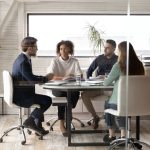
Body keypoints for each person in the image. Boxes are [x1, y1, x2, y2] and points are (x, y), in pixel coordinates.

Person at [103, 41, 145, 143]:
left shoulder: (118, 65)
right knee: (122, 105)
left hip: (120, 103)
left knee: (108, 103)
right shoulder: (140, 65)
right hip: (136, 103)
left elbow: (106, 83)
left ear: (121, 52)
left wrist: (107, 78)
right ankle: (123, 136)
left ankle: (111, 135)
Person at [12, 36, 53, 136]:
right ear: (30, 48)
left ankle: (38, 127)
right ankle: (30, 121)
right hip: (22, 97)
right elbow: (32, 80)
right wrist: (46, 78)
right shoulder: (23, 62)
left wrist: (43, 78)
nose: (37, 49)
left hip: (24, 94)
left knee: (42, 100)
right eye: (35, 46)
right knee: (47, 100)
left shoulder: (24, 59)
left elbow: (29, 77)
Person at [47, 40, 82, 136]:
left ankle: (68, 115)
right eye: (61, 49)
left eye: (65, 48)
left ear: (70, 49)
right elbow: (51, 76)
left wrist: (73, 76)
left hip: (71, 87)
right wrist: (63, 78)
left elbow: (80, 75)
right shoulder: (55, 61)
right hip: (58, 88)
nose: (63, 50)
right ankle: (62, 123)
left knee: (73, 94)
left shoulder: (74, 61)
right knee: (63, 97)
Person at [81, 39, 118, 129]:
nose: (105, 50)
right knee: (84, 95)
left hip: (109, 88)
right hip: (97, 87)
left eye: (107, 48)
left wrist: (109, 78)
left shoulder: (118, 60)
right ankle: (95, 117)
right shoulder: (99, 58)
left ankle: (110, 122)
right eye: (104, 47)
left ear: (114, 49)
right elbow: (89, 71)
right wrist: (90, 81)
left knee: (113, 96)